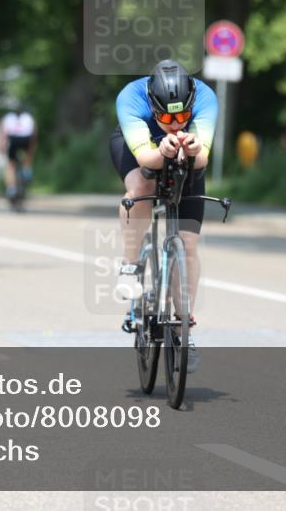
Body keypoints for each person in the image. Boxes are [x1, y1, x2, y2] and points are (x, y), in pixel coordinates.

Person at [109, 59, 218, 372]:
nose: (175, 122)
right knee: (141, 189)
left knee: (188, 243)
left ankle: (184, 328)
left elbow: (203, 159)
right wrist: (164, 151)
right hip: (139, 148)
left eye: (183, 116)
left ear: (192, 103)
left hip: (187, 155)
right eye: (167, 116)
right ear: (152, 104)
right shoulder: (130, 97)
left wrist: (194, 150)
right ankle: (131, 266)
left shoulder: (207, 98)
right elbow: (145, 157)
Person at [0, 107, 36, 204]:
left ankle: (11, 189)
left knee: (10, 164)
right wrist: (31, 151)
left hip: (13, 139)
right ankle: (27, 172)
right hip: (26, 139)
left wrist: (1, 147)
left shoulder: (7, 117)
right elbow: (34, 134)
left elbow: (3, 133)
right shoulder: (29, 117)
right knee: (27, 157)